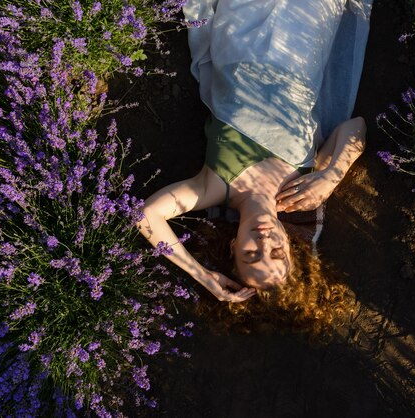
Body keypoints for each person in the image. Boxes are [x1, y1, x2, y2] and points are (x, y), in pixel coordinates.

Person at [136, 0, 372, 302]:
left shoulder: (212, 187)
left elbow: (146, 216)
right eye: (276, 252)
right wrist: (330, 177)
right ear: (289, 244)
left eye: (250, 254)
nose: (263, 241)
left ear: (233, 247)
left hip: (241, 34)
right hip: (303, 38)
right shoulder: (302, 190)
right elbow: (356, 128)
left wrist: (201, 275)